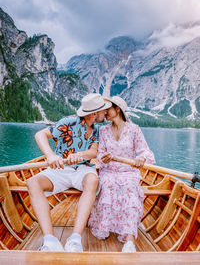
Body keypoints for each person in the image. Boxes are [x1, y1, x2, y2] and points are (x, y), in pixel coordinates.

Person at [26, 93, 112, 252]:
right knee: (32, 182)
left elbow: (94, 152)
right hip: (61, 169)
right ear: (94, 113)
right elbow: (40, 135)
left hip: (83, 169)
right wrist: (51, 155)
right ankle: (50, 240)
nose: (105, 113)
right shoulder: (69, 121)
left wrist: (79, 155)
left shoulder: (96, 130)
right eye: (103, 111)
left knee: (93, 181)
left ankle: (75, 239)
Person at [88, 96, 155, 252]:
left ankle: (129, 239)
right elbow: (100, 153)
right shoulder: (103, 130)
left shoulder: (134, 129)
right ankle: (106, 226)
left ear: (117, 109)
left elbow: (145, 151)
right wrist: (103, 158)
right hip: (109, 171)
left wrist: (141, 157)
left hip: (128, 171)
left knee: (130, 187)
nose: (104, 113)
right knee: (108, 184)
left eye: (107, 109)